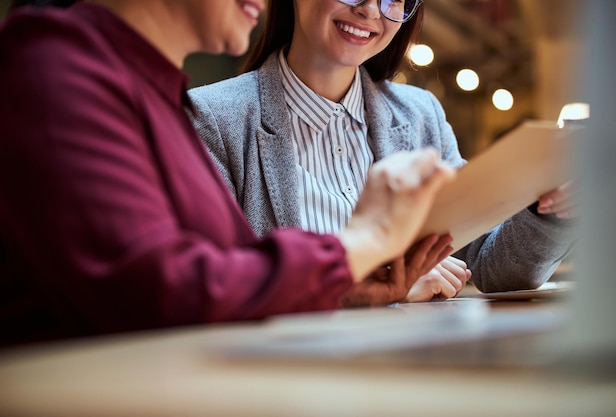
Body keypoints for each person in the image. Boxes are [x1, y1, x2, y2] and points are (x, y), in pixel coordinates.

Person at [0, 0, 456, 346]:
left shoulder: (153, 94)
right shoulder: (57, 67)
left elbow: (234, 282)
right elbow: (159, 295)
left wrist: (357, 288)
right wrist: (364, 244)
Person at [188, 0, 578, 295]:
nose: (370, 10)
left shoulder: (420, 114)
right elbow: (215, 285)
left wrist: (547, 212)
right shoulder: (212, 118)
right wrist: (378, 288)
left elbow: (494, 269)